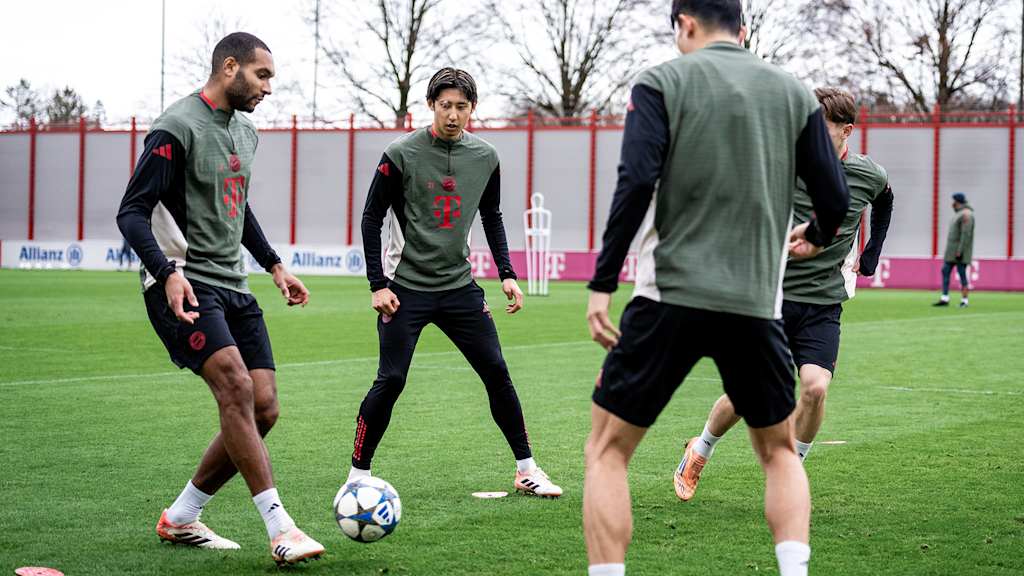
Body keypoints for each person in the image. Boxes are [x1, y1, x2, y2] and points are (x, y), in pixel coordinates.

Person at [581, 1, 851, 575]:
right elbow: (834, 198)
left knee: (608, 452)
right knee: (779, 453)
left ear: (684, 24)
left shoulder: (659, 82)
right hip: (754, 305)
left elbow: (635, 182)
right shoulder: (794, 94)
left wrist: (602, 284)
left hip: (666, 298)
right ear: (745, 31)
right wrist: (819, 234)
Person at [115, 32, 324, 566]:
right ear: (229, 67)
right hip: (183, 283)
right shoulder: (175, 127)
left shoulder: (246, 132)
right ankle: (282, 528)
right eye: (262, 75)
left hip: (235, 285)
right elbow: (132, 211)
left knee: (264, 407)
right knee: (233, 385)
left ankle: (181, 517)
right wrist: (165, 273)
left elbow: (237, 207)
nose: (268, 88)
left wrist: (274, 264)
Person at [346, 67, 562, 498]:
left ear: (472, 109)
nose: (453, 114)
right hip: (404, 287)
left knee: (497, 371)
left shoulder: (485, 157)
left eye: (461, 106)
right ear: (430, 106)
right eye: (445, 105)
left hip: (459, 287)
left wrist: (507, 273)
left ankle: (527, 469)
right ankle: (358, 475)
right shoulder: (400, 153)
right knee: (391, 379)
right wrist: (377, 283)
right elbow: (372, 217)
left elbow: (492, 216)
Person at [673, 86, 894, 503]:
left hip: (823, 304)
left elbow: (885, 200)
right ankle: (698, 450)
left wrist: (870, 255)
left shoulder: (869, 174)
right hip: (768, 300)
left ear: (847, 130)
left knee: (815, 389)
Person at [934, 193, 975, 307]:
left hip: (959, 252)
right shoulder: (959, 214)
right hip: (951, 252)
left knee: (962, 274)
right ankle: (944, 298)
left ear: (958, 202)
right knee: (945, 271)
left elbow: (965, 234)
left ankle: (964, 301)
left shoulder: (966, 214)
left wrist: (960, 250)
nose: (952, 203)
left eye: (954, 201)